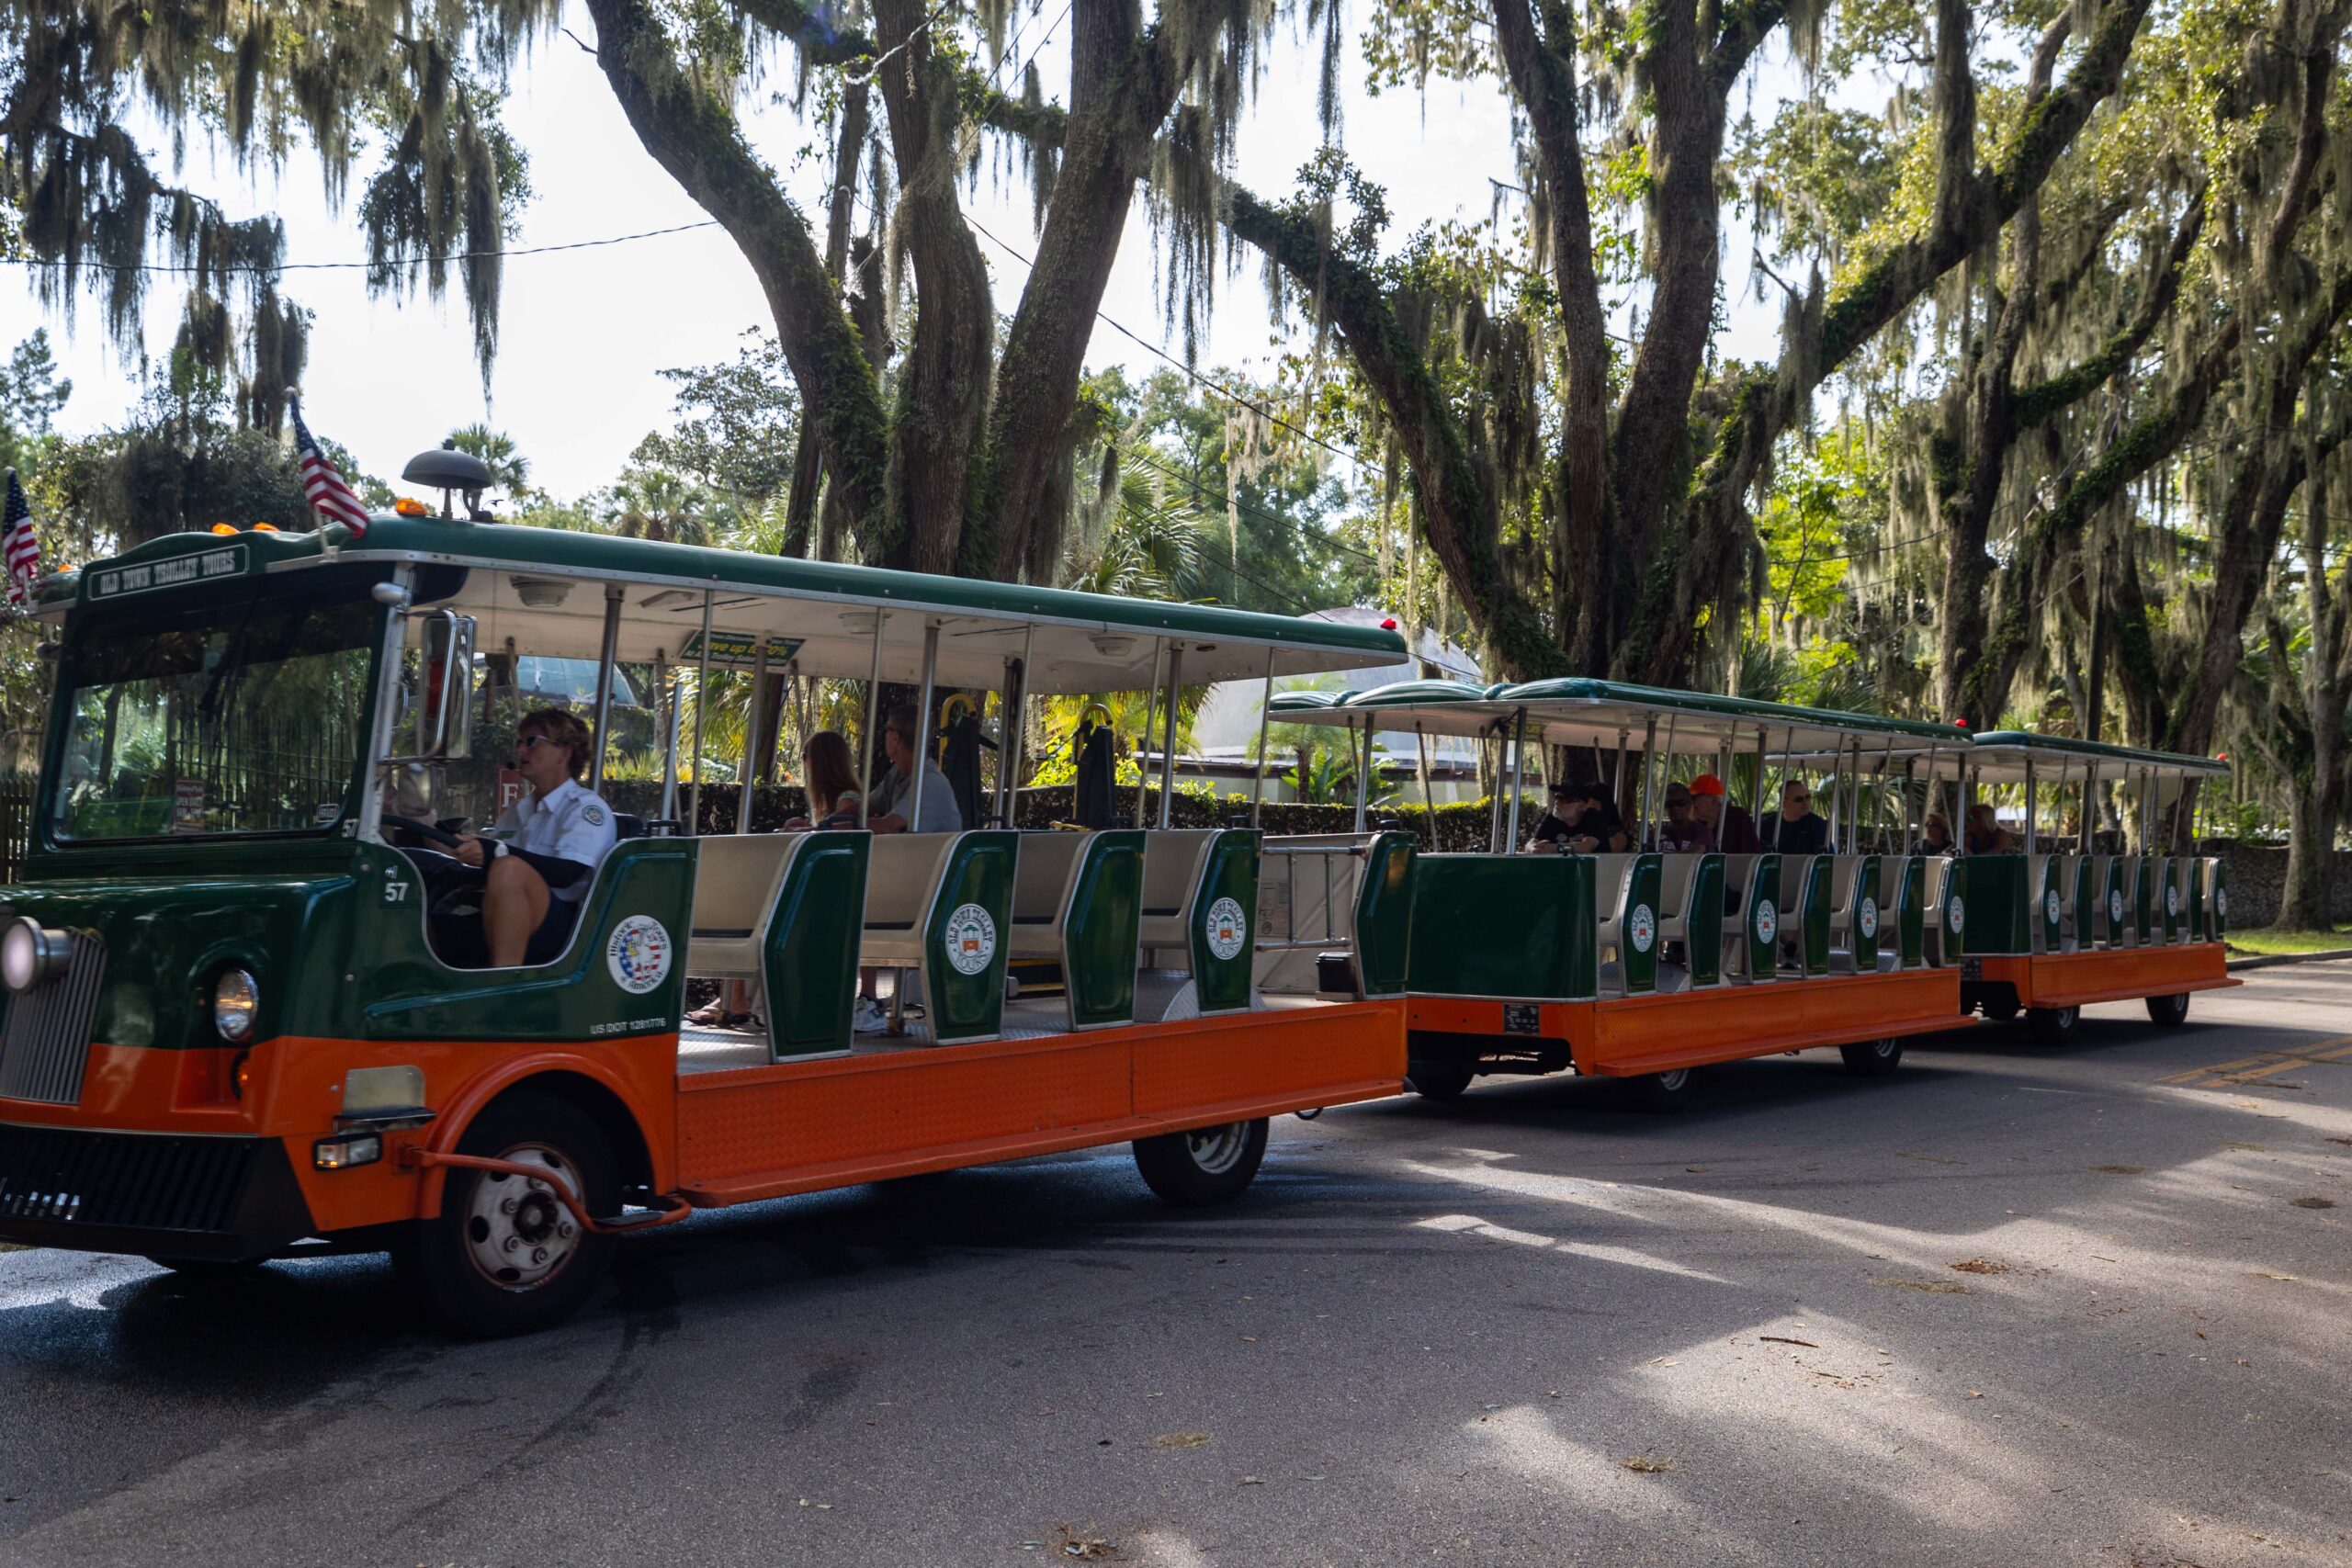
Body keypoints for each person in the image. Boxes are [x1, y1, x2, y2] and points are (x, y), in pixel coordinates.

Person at [454, 709, 617, 968]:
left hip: (564, 930)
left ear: (564, 752)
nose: (520, 751)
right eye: (519, 742)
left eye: (531, 742)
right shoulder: (516, 811)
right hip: (501, 915)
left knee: (510, 869)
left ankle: (503, 983)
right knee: (430, 925)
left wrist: (496, 851)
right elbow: (491, 856)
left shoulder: (585, 809)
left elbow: (568, 873)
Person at [867, 705, 961, 835]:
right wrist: (834, 819)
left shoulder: (930, 783)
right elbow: (867, 806)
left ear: (895, 738)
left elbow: (887, 826)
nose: (884, 736)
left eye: (886, 730)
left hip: (931, 855)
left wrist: (838, 829)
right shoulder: (897, 773)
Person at [782, 729, 864, 830]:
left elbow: (840, 836)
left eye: (805, 756)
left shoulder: (847, 801)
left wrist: (802, 830)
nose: (805, 763)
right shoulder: (826, 802)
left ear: (819, 763)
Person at [1687, 773, 1760, 854]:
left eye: (1718, 799)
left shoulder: (1737, 817)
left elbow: (1751, 852)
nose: (1718, 803)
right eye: (1711, 798)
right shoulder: (1695, 826)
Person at [1760, 778, 1830, 856]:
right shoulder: (1768, 826)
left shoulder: (1817, 825)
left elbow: (1827, 858)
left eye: (1807, 797)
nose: (1805, 802)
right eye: (1798, 799)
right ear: (1784, 803)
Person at [1648, 781, 1716, 852]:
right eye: (1670, 804)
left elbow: (1697, 852)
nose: (1675, 808)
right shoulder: (1655, 834)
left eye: (1680, 803)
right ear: (1665, 807)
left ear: (1689, 804)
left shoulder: (1702, 831)